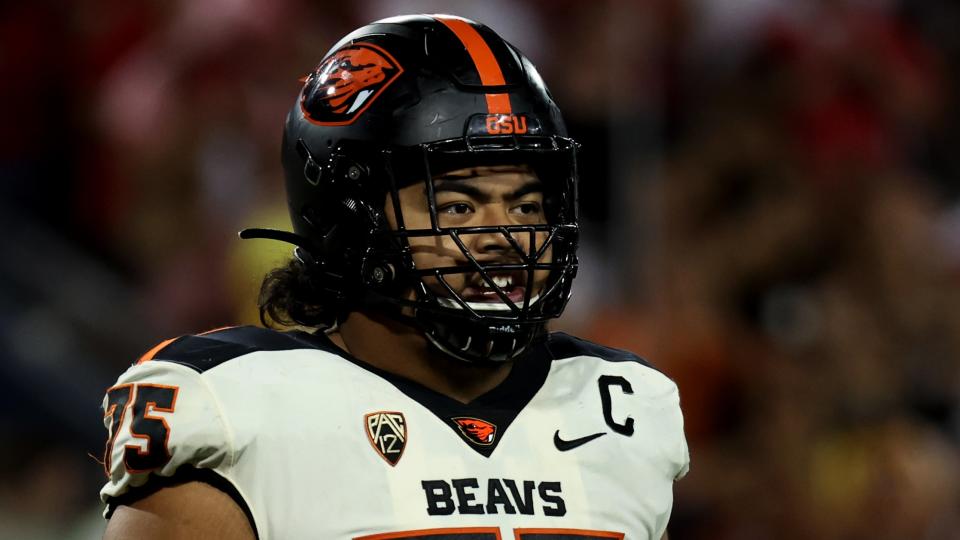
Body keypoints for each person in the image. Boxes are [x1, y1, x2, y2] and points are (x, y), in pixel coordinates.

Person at [99, 14, 689, 540]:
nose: (503, 235)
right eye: (456, 206)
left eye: (527, 206)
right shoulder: (237, 409)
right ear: (347, 221)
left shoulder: (623, 409)